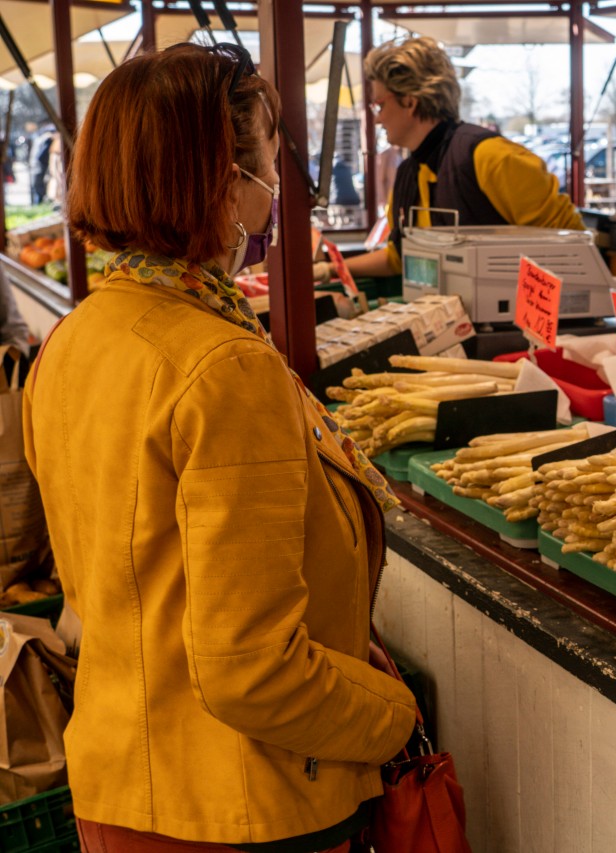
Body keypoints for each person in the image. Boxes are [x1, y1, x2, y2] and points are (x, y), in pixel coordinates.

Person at [33, 43, 417, 851]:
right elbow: (253, 668)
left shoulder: (79, 336)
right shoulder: (224, 366)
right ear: (224, 184)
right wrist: (393, 715)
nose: (279, 189)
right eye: (271, 163)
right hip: (239, 808)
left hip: (121, 784)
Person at [318, 36, 583, 283]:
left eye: (380, 105)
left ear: (410, 102)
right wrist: (327, 269)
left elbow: (574, 249)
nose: (377, 119)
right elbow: (399, 258)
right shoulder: (409, 173)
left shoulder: (491, 157)